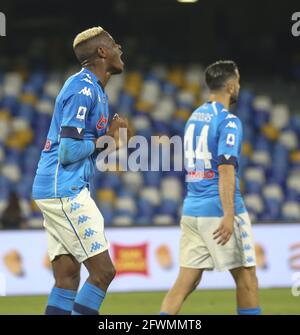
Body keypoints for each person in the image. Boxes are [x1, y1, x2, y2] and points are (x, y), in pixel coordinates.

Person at [32, 26, 128, 315]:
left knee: (67, 278)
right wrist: (107, 140)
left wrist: (111, 143)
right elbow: (68, 151)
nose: (119, 48)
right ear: (102, 52)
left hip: (57, 187)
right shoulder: (82, 88)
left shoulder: (95, 91)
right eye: (113, 43)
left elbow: (85, 146)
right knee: (103, 273)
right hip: (64, 190)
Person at [160, 60, 261, 315]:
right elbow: (226, 170)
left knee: (186, 281)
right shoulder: (228, 121)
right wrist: (228, 215)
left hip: (192, 210)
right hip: (220, 209)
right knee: (246, 278)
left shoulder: (193, 118)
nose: (239, 86)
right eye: (237, 82)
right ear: (230, 86)